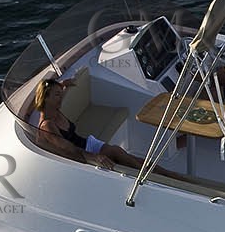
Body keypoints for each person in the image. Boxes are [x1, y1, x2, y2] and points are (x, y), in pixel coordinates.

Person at [31, 77, 182, 180]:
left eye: (60, 94)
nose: (61, 97)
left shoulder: (54, 108)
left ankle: (164, 173)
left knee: (126, 156)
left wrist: (64, 83)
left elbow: (60, 88)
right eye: (57, 95)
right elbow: (69, 149)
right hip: (84, 152)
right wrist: (94, 157)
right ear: (46, 98)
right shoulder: (47, 126)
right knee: (117, 152)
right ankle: (158, 176)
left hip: (88, 143)